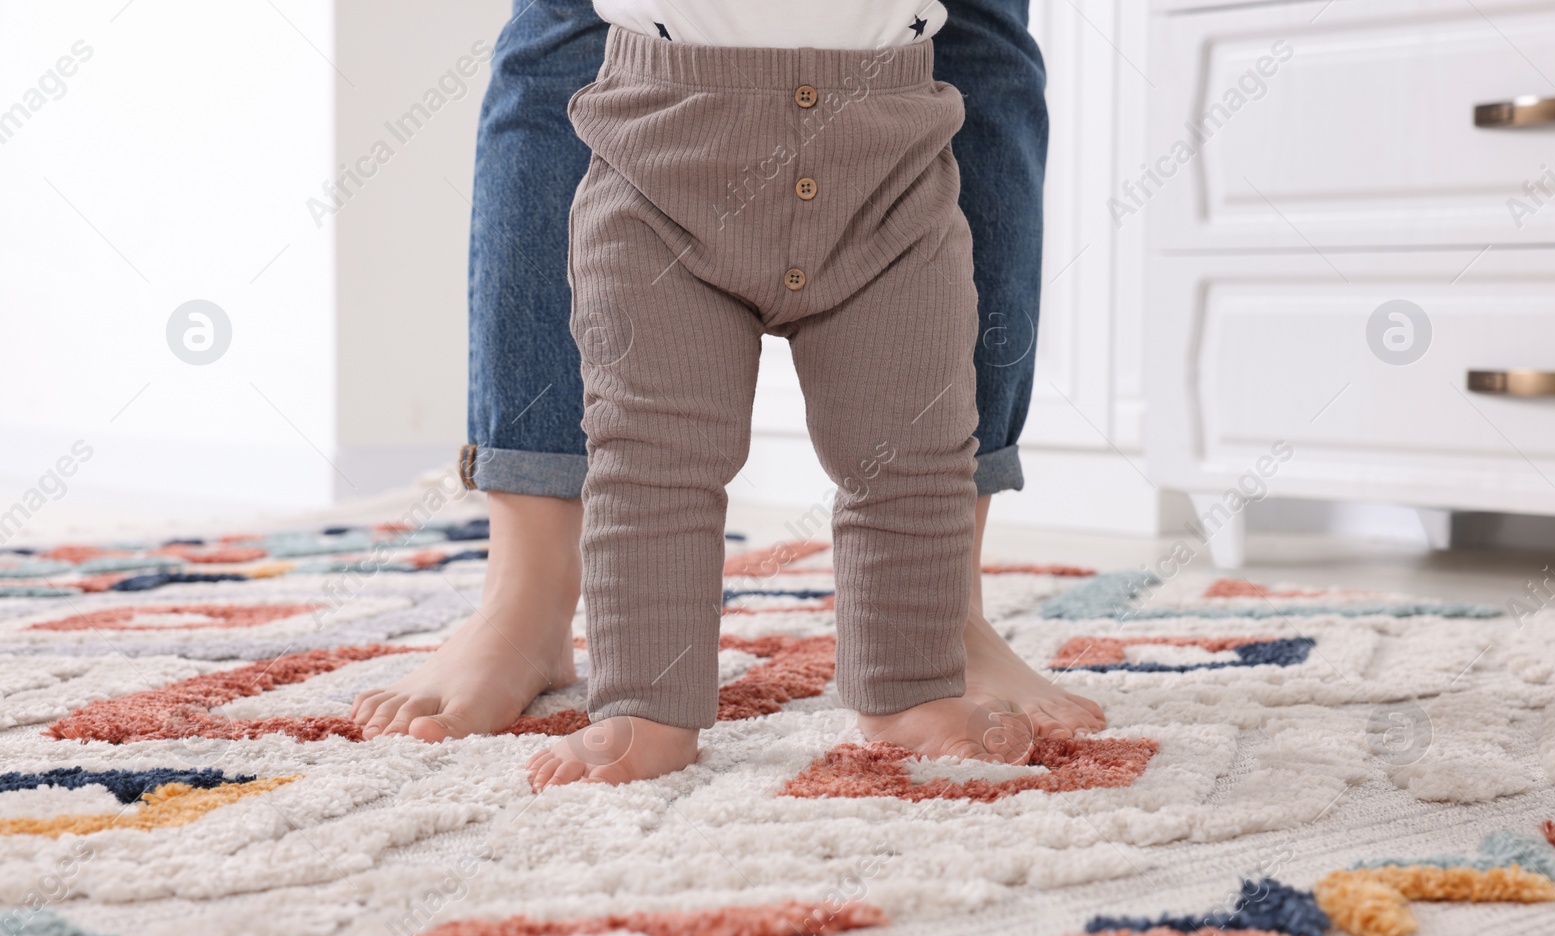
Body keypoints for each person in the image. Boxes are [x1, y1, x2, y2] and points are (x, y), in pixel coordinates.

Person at [352, 0, 1105, 781]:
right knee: (654, 456)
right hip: (660, 159)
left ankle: (912, 679)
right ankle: (645, 702)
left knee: (912, 449)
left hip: (892, 156)